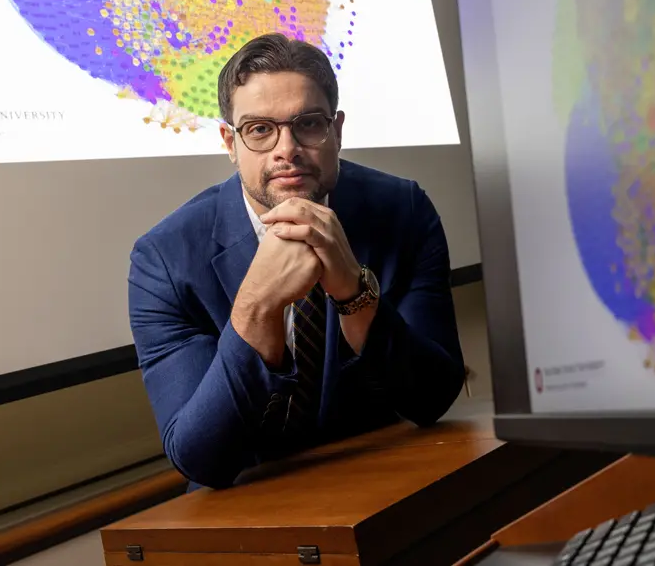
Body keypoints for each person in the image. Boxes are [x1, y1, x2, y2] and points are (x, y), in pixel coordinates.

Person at [127, 33, 466, 490]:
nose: (286, 148)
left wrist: (355, 293)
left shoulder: (404, 210)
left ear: (337, 130)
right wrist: (254, 305)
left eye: (307, 124)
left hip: (385, 472)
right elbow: (201, 459)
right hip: (251, 502)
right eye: (260, 129)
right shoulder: (164, 259)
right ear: (230, 142)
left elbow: (434, 398)